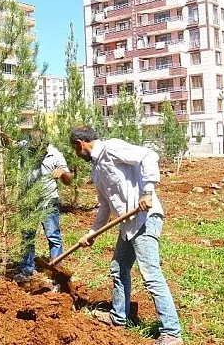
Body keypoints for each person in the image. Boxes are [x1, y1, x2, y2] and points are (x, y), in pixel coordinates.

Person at [70, 125, 183, 345]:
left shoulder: (112, 148)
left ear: (79, 144)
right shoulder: (96, 169)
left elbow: (149, 155)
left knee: (150, 274)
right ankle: (118, 317)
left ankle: (172, 332)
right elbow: (105, 205)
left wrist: (148, 191)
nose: (76, 153)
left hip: (145, 218)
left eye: (75, 150)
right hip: (128, 225)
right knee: (118, 267)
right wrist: (93, 232)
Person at [14, 129, 73, 283]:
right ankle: (26, 269)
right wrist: (0, 135)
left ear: (45, 145)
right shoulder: (25, 147)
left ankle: (57, 270)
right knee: (27, 236)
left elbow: (69, 180)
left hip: (48, 201)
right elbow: (10, 145)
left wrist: (63, 173)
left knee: (53, 236)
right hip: (29, 201)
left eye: (40, 148)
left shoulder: (55, 154)